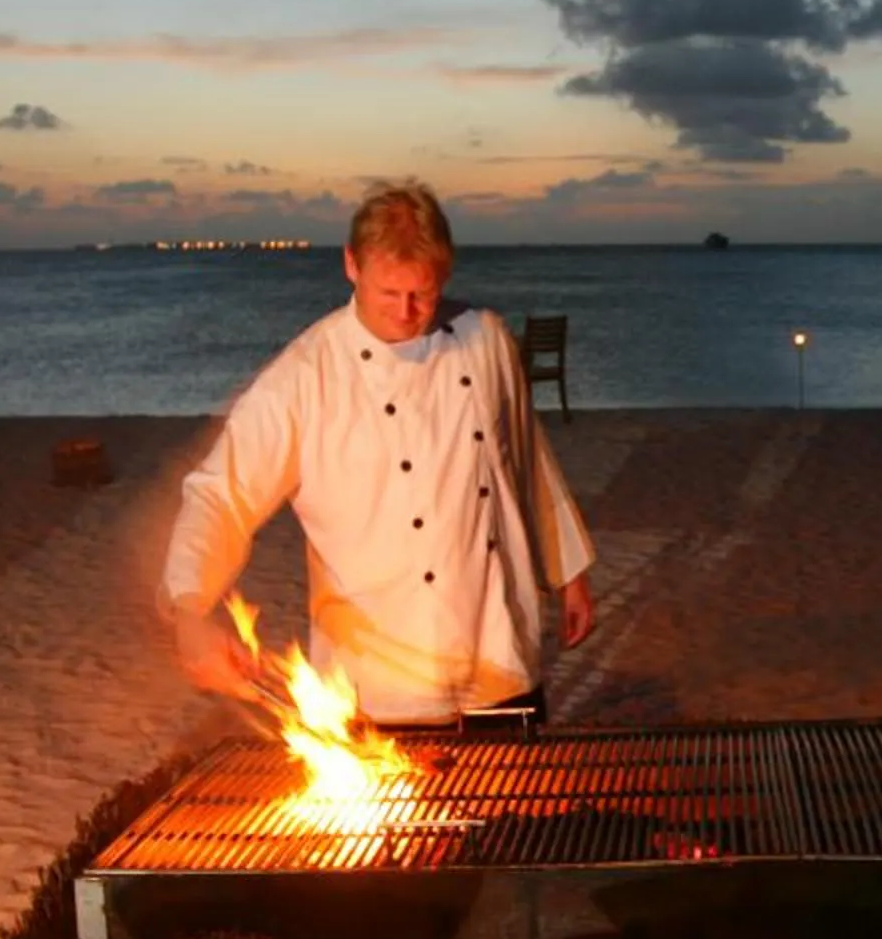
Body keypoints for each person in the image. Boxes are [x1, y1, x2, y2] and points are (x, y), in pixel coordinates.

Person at [162, 183, 595, 722]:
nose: (407, 312)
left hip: (498, 661)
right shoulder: (304, 376)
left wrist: (568, 571)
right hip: (375, 688)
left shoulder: (486, 340)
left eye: (424, 294)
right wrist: (190, 611)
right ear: (351, 265)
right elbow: (221, 495)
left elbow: (528, 462)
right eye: (390, 293)